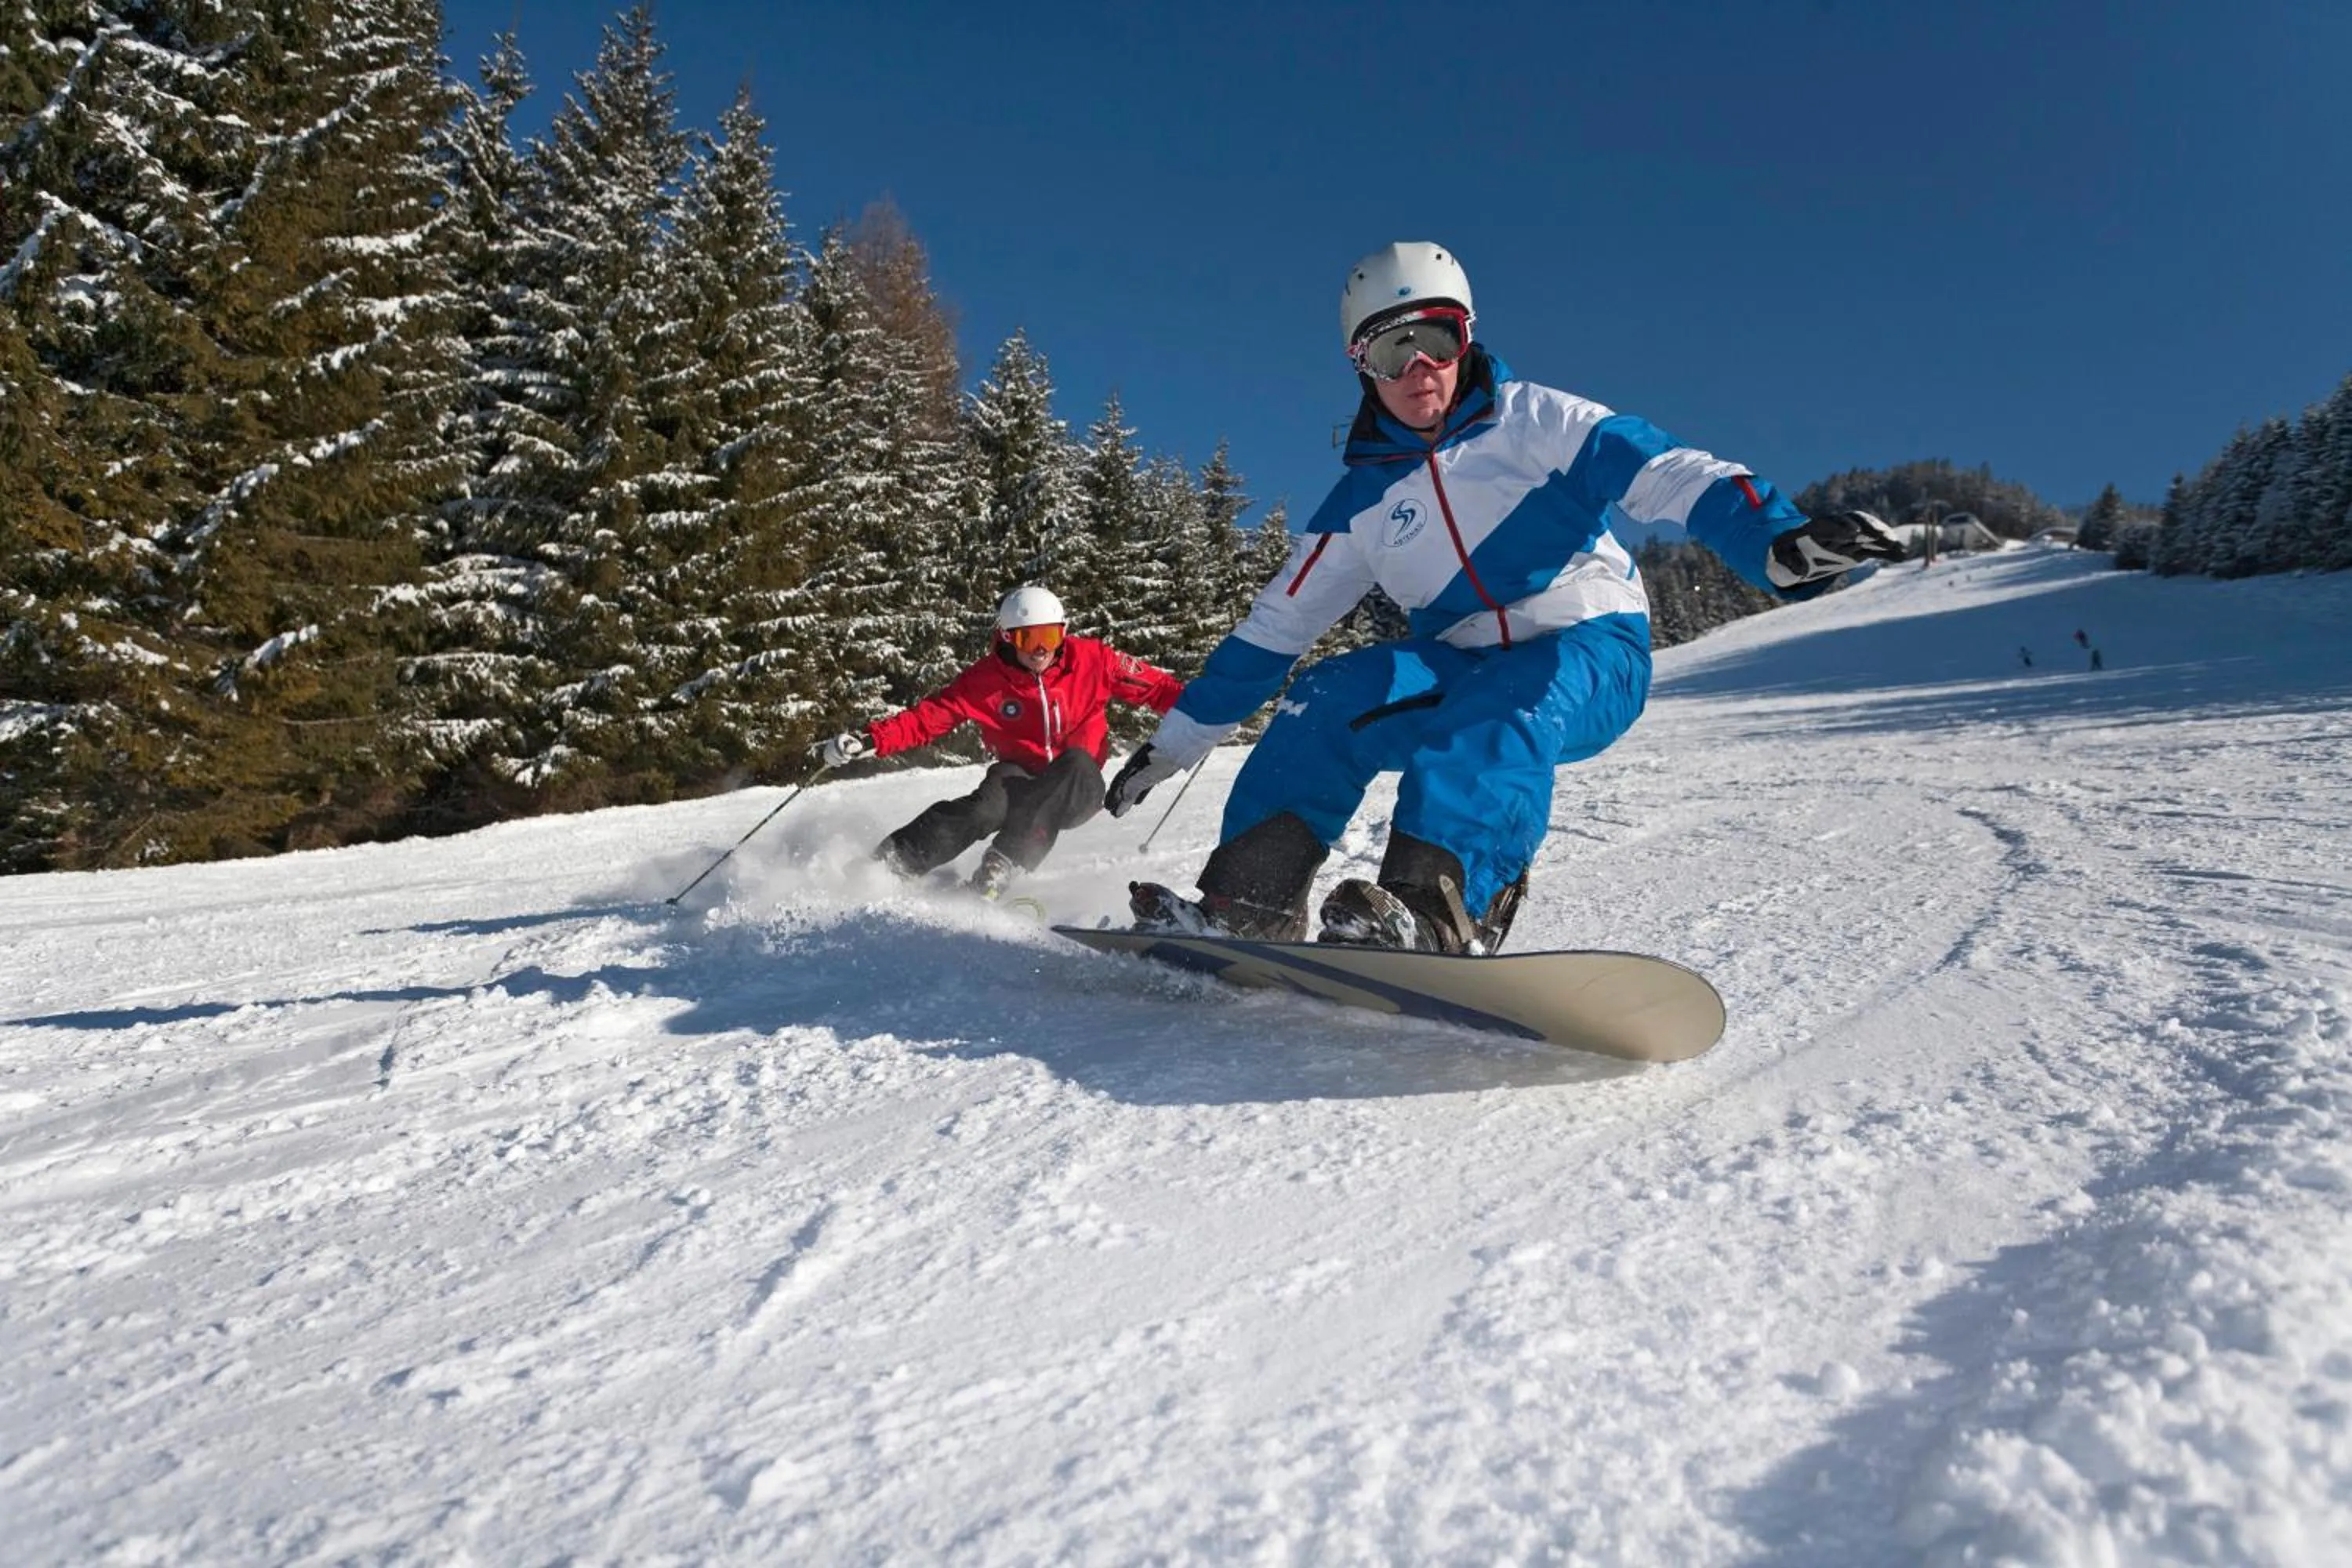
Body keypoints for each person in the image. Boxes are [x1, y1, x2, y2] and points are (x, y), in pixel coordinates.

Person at [1104, 241, 1903, 953]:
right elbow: (1276, 626)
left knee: (1497, 707)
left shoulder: (1538, 422)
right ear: (1362, 364)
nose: (1420, 367)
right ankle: (1247, 906)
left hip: (1589, 647)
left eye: (1438, 338)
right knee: (1326, 697)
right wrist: (1176, 742)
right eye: (1393, 348)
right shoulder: (1360, 503)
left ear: (1467, 338)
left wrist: (1772, 540)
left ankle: (1439, 911)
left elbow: (1667, 471)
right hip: (1458, 662)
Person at [816, 586, 1185, 898]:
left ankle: (1001, 866)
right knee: (982, 810)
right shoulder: (986, 680)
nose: (1040, 649)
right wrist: (871, 740)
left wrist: (1205, 712)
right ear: (1008, 638)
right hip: (1018, 775)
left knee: (1075, 763)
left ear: (1063, 634)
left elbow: (1157, 688)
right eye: (1028, 638)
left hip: (1077, 785)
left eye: (1050, 637)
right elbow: (930, 717)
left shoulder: (1094, 660)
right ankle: (890, 864)